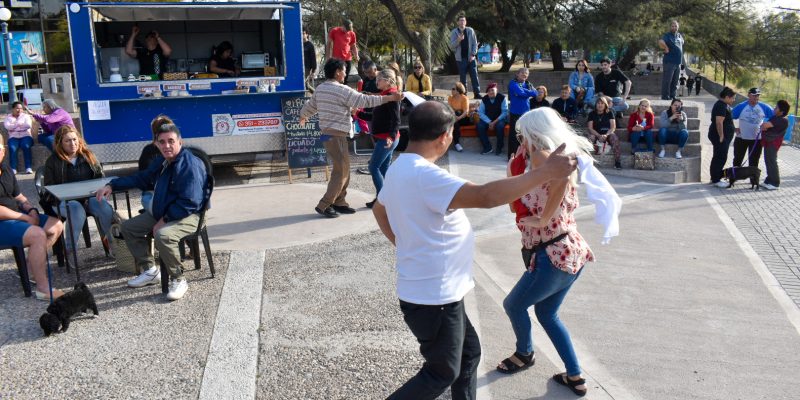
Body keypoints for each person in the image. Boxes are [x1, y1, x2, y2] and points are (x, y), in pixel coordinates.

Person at [372, 101, 577, 400]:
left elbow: (379, 210)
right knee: (440, 373)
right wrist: (544, 172)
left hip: (434, 293)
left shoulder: (399, 167)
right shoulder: (427, 176)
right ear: (445, 136)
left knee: (469, 355)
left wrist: (406, 244)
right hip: (435, 297)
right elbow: (485, 196)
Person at [495, 108, 595, 397]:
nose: (519, 139)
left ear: (534, 132)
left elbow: (561, 183)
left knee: (513, 305)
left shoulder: (543, 155)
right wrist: (513, 168)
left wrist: (541, 218)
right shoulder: (535, 159)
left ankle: (525, 354)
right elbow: (514, 204)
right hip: (567, 250)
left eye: (521, 134)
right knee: (547, 313)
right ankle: (575, 376)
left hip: (552, 254)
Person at [95, 121, 206, 301]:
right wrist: (112, 185)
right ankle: (150, 270)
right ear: (156, 144)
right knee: (128, 228)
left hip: (190, 214)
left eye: (171, 141)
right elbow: (141, 178)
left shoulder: (188, 165)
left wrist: (165, 219)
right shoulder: (162, 162)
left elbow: (189, 202)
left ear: (180, 142)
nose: (166, 146)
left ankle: (178, 278)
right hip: (165, 211)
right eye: (162, 142)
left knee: (163, 235)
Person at [299, 58, 402, 218]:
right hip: (337, 135)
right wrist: (389, 98)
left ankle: (340, 202)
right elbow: (365, 100)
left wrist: (302, 116)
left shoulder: (320, 89)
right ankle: (325, 205)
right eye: (344, 71)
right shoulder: (342, 90)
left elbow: (310, 106)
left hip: (329, 135)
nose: (346, 74)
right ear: (338, 72)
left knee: (343, 169)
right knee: (341, 172)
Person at [0, 140, 65, 301]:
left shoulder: (6, 169)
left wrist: (31, 210)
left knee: (55, 225)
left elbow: (19, 196)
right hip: (3, 223)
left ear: (3, 151)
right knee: (37, 235)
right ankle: (43, 288)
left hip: (18, 216)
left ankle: (30, 268)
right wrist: (25, 217)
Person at [42, 126, 115, 253]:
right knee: (76, 210)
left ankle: (114, 246)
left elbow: (100, 179)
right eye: (68, 141)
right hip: (62, 202)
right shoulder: (52, 161)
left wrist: (100, 191)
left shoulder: (88, 156)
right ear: (60, 143)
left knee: (105, 208)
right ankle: (71, 251)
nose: (73, 144)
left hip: (88, 198)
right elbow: (49, 188)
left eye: (75, 139)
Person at [355, 69, 401, 208]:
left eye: (379, 79)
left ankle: (382, 200)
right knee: (383, 169)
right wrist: (357, 113)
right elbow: (373, 117)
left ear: (387, 81)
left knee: (373, 166)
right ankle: (390, 197)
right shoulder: (384, 95)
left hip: (387, 139)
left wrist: (390, 137)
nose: (376, 81)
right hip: (384, 138)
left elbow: (396, 120)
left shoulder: (393, 96)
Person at [731, 87, 774, 169]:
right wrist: (734, 128)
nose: (756, 97)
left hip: (757, 140)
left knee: (754, 162)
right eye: (754, 95)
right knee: (737, 160)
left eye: (758, 95)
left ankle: (753, 180)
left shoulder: (764, 107)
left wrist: (767, 126)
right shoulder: (741, 106)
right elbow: (728, 117)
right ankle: (734, 178)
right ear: (749, 95)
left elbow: (776, 118)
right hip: (741, 138)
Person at [508, 67, 539, 158]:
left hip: (526, 113)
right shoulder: (513, 83)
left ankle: (525, 154)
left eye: (526, 74)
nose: (524, 75)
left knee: (525, 135)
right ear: (517, 74)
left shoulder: (528, 83)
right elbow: (519, 93)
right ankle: (513, 155)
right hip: (515, 113)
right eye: (522, 73)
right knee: (514, 136)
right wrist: (528, 92)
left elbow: (536, 93)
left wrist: (524, 91)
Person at [759, 100, 790, 190]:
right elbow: (763, 126)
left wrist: (764, 126)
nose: (774, 108)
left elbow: (765, 126)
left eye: (776, 107)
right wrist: (764, 126)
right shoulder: (775, 117)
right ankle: (769, 180)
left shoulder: (783, 120)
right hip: (768, 141)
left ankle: (775, 183)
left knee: (772, 161)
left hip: (773, 143)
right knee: (768, 161)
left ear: (782, 111)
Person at [709, 87, 737, 188]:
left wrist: (734, 129)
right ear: (726, 97)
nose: (734, 100)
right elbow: (719, 122)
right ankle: (716, 179)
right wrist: (721, 136)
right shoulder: (721, 106)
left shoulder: (725, 105)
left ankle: (714, 177)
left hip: (722, 136)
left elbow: (726, 121)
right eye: (733, 98)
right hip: (719, 136)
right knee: (720, 157)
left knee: (718, 156)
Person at [449, 15, 480, 99]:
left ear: (465, 22)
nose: (462, 22)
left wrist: (473, 55)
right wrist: (458, 40)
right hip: (460, 59)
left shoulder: (470, 30)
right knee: (463, 78)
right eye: (460, 20)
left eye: (463, 20)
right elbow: (451, 46)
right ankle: (464, 95)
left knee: (474, 76)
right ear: (458, 22)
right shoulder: (454, 32)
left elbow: (475, 44)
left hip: (471, 58)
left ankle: (477, 93)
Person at [587, 96, 621, 169]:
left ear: (605, 104)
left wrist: (606, 135)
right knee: (591, 137)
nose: (600, 105)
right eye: (598, 103)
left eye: (602, 103)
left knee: (614, 138)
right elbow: (590, 128)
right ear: (596, 105)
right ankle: (588, 162)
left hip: (607, 134)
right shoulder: (591, 114)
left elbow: (613, 127)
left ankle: (617, 162)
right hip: (596, 134)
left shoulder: (610, 113)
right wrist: (599, 136)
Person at [476, 82, 508, 155]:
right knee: (479, 126)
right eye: (489, 91)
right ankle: (487, 147)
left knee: (500, 126)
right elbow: (481, 112)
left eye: (492, 90)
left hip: (499, 119)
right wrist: (489, 122)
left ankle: (499, 147)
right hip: (488, 119)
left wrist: (494, 122)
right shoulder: (484, 99)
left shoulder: (502, 98)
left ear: (496, 90)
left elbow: (505, 112)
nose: (491, 92)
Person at [4, 101, 34, 174]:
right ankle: (13, 168)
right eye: (17, 108)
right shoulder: (8, 117)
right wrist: (18, 124)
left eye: (21, 108)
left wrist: (13, 126)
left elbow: (28, 125)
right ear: (13, 109)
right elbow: (7, 127)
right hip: (13, 137)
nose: (19, 110)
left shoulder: (26, 116)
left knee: (26, 146)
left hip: (26, 135)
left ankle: (28, 167)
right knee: (12, 148)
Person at [658, 20, 685, 100]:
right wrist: (666, 47)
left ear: (678, 27)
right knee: (667, 80)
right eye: (672, 26)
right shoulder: (667, 35)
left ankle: (673, 96)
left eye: (675, 26)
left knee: (675, 81)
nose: (674, 27)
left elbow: (682, 43)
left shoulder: (680, 36)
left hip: (678, 62)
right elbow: (660, 41)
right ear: (670, 27)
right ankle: (665, 97)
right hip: (669, 62)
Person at [326, 19, 358, 85]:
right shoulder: (334, 31)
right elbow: (328, 43)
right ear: (343, 26)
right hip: (337, 59)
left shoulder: (352, 34)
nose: (347, 31)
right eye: (346, 29)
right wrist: (328, 56)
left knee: (345, 77)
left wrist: (356, 55)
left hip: (347, 58)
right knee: (336, 77)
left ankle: (344, 92)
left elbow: (353, 46)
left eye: (349, 30)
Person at [447, 82, 470, 152]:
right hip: (454, 117)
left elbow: (466, 111)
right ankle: (457, 143)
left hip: (464, 118)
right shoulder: (450, 98)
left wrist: (458, 118)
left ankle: (456, 143)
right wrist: (455, 117)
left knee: (456, 118)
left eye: (453, 89)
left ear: (458, 90)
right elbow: (450, 109)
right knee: (455, 122)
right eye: (452, 89)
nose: (452, 90)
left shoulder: (464, 98)